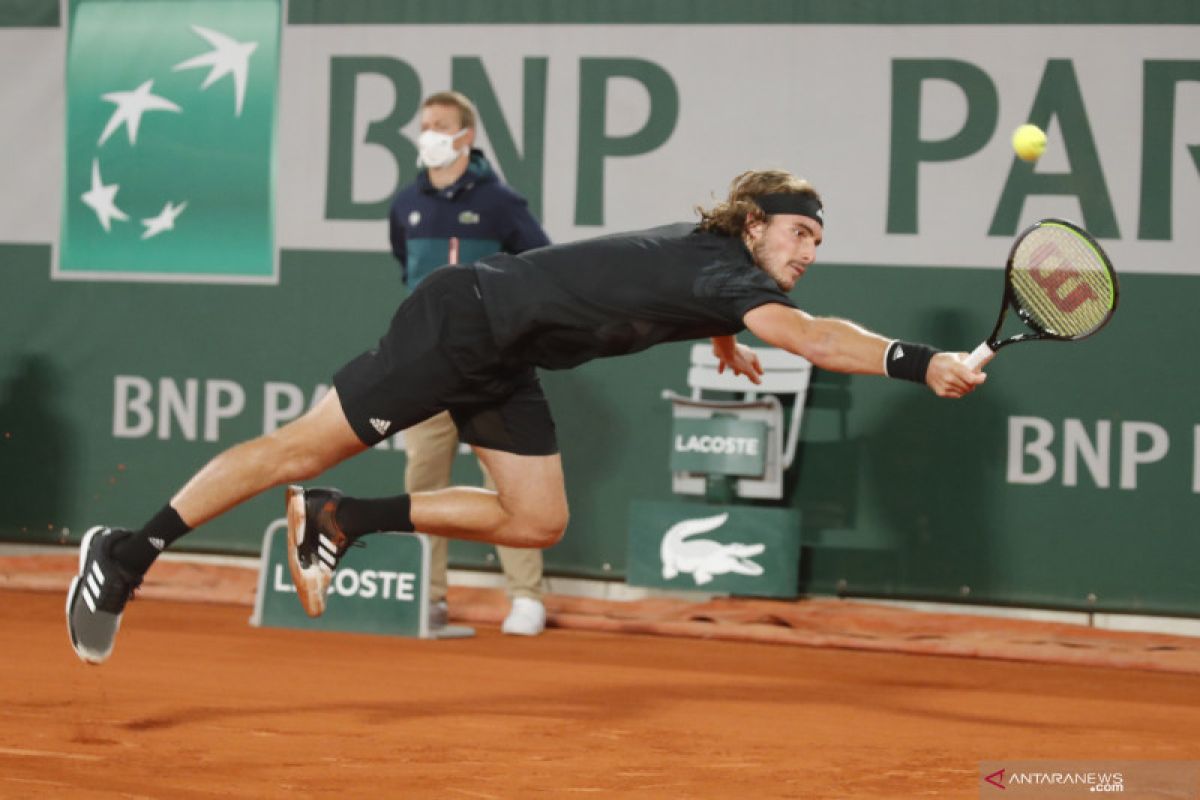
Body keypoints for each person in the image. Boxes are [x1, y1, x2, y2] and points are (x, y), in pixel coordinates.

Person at [66, 168, 987, 664]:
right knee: (295, 451)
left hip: (507, 351)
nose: (809, 251)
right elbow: (819, 339)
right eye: (799, 233)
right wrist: (923, 362)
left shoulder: (715, 264)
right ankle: (127, 550)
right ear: (753, 225)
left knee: (538, 518)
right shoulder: (724, 267)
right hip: (462, 320)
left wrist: (718, 333)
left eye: (819, 242)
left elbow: (665, 293)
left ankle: (348, 519)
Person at [389, 91, 551, 636]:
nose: (428, 133)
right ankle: (429, 596)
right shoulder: (405, 204)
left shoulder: (502, 203)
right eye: (424, 124)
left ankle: (526, 598)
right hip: (426, 367)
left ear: (466, 137)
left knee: (511, 485)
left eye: (440, 125)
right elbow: (405, 267)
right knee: (424, 485)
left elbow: (539, 266)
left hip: (492, 366)